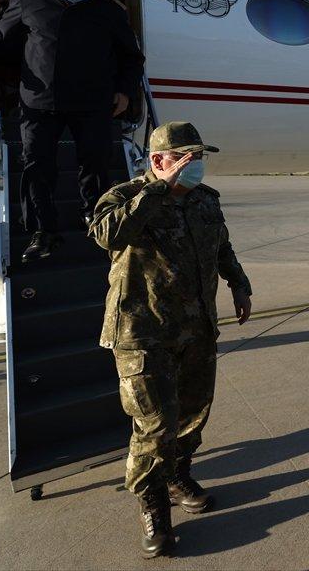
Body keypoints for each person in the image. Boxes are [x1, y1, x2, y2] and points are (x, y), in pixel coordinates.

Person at [90, 121, 253, 559]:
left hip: (196, 327)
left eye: (198, 158)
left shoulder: (204, 200)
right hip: (142, 333)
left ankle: (179, 477)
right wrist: (157, 190)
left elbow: (221, 246)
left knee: (193, 414)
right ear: (159, 161)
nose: (195, 166)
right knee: (154, 425)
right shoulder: (126, 197)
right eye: (186, 158)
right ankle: (154, 508)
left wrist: (238, 283)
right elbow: (106, 235)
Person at [0, 0, 145, 261]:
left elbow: (132, 56)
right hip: (40, 100)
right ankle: (43, 231)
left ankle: (94, 216)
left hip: (92, 100)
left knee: (95, 163)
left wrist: (125, 91)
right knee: (37, 166)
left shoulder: (109, 9)